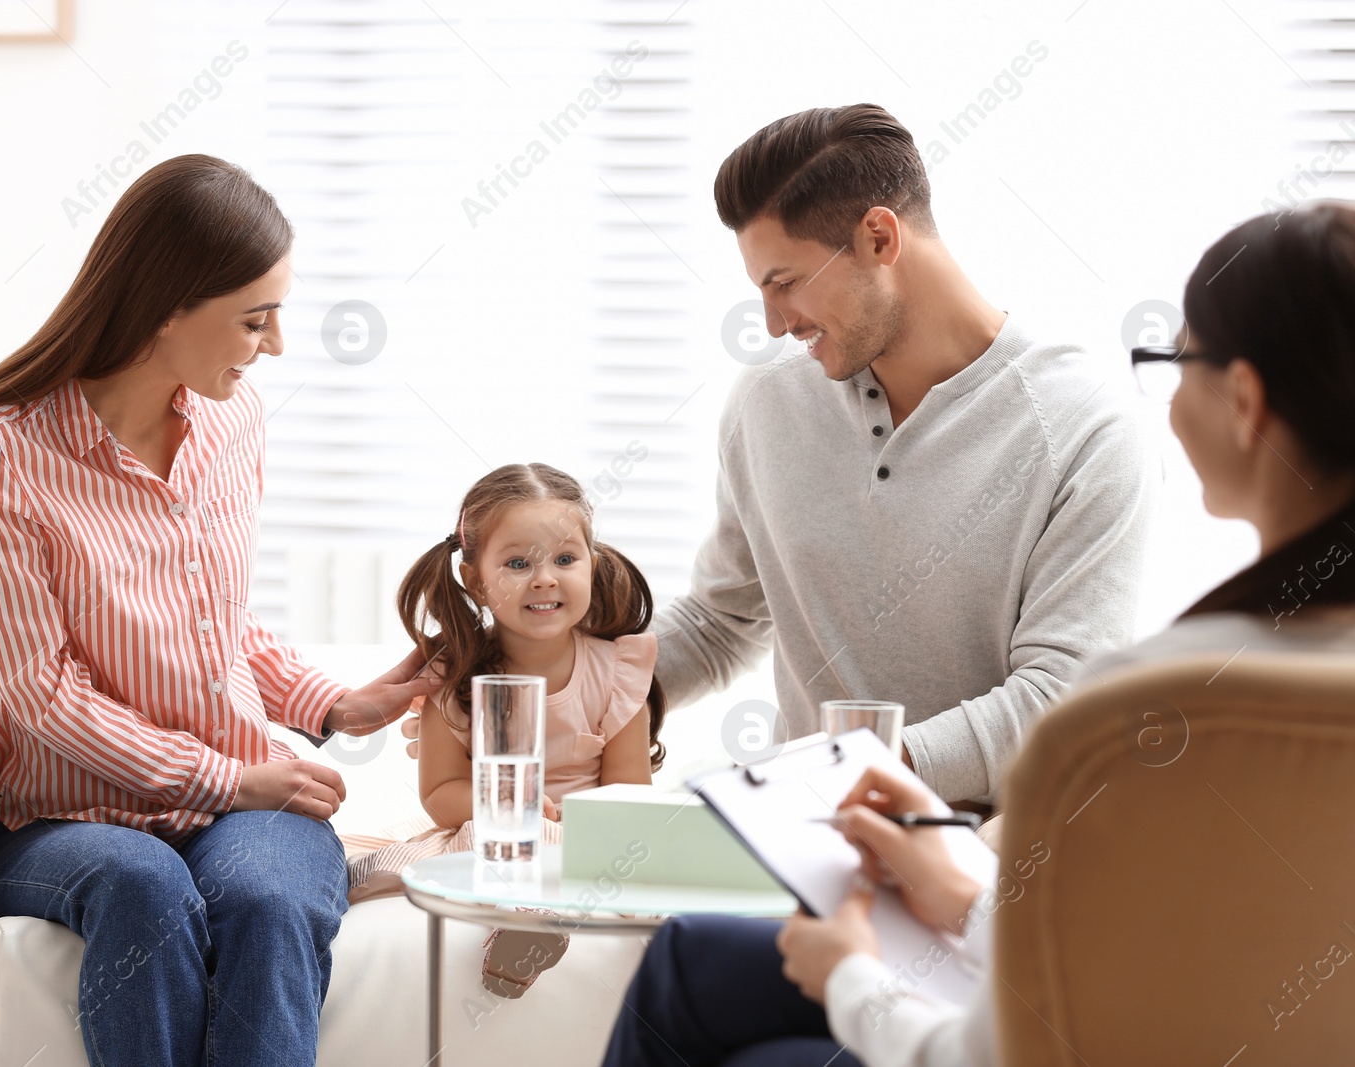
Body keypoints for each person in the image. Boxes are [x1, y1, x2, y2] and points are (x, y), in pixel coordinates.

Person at [600, 200, 1355, 1066]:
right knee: (692, 966)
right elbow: (1128, 971)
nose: (772, 324)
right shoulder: (1181, 705)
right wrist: (962, 892)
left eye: (1175, 361)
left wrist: (854, 978)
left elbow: (1021, 1044)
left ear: (1248, 400)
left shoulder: (1153, 716)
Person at [0, 154, 437, 1067]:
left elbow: (214, 617)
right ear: (165, 307)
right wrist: (230, 781)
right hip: (56, 814)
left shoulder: (235, 423)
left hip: (237, 794)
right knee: (141, 884)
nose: (273, 344)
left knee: (272, 900)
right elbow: (41, 695)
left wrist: (329, 704)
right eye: (254, 318)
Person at [649, 103, 1157, 801]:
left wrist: (845, 775)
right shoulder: (768, 403)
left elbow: (1061, 700)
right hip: (805, 858)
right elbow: (721, 619)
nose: (772, 324)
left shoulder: (1082, 424)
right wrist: (549, 673)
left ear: (879, 238)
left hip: (994, 873)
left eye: (786, 283)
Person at [344, 462, 664, 996]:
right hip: (489, 828)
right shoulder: (458, 674)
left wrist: (567, 824)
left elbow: (628, 795)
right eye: (518, 563)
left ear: (592, 564)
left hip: (587, 839)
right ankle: (523, 920)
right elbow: (441, 793)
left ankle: (533, 915)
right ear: (475, 579)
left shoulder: (618, 672)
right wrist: (510, 804)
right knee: (426, 854)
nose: (544, 578)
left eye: (565, 559)